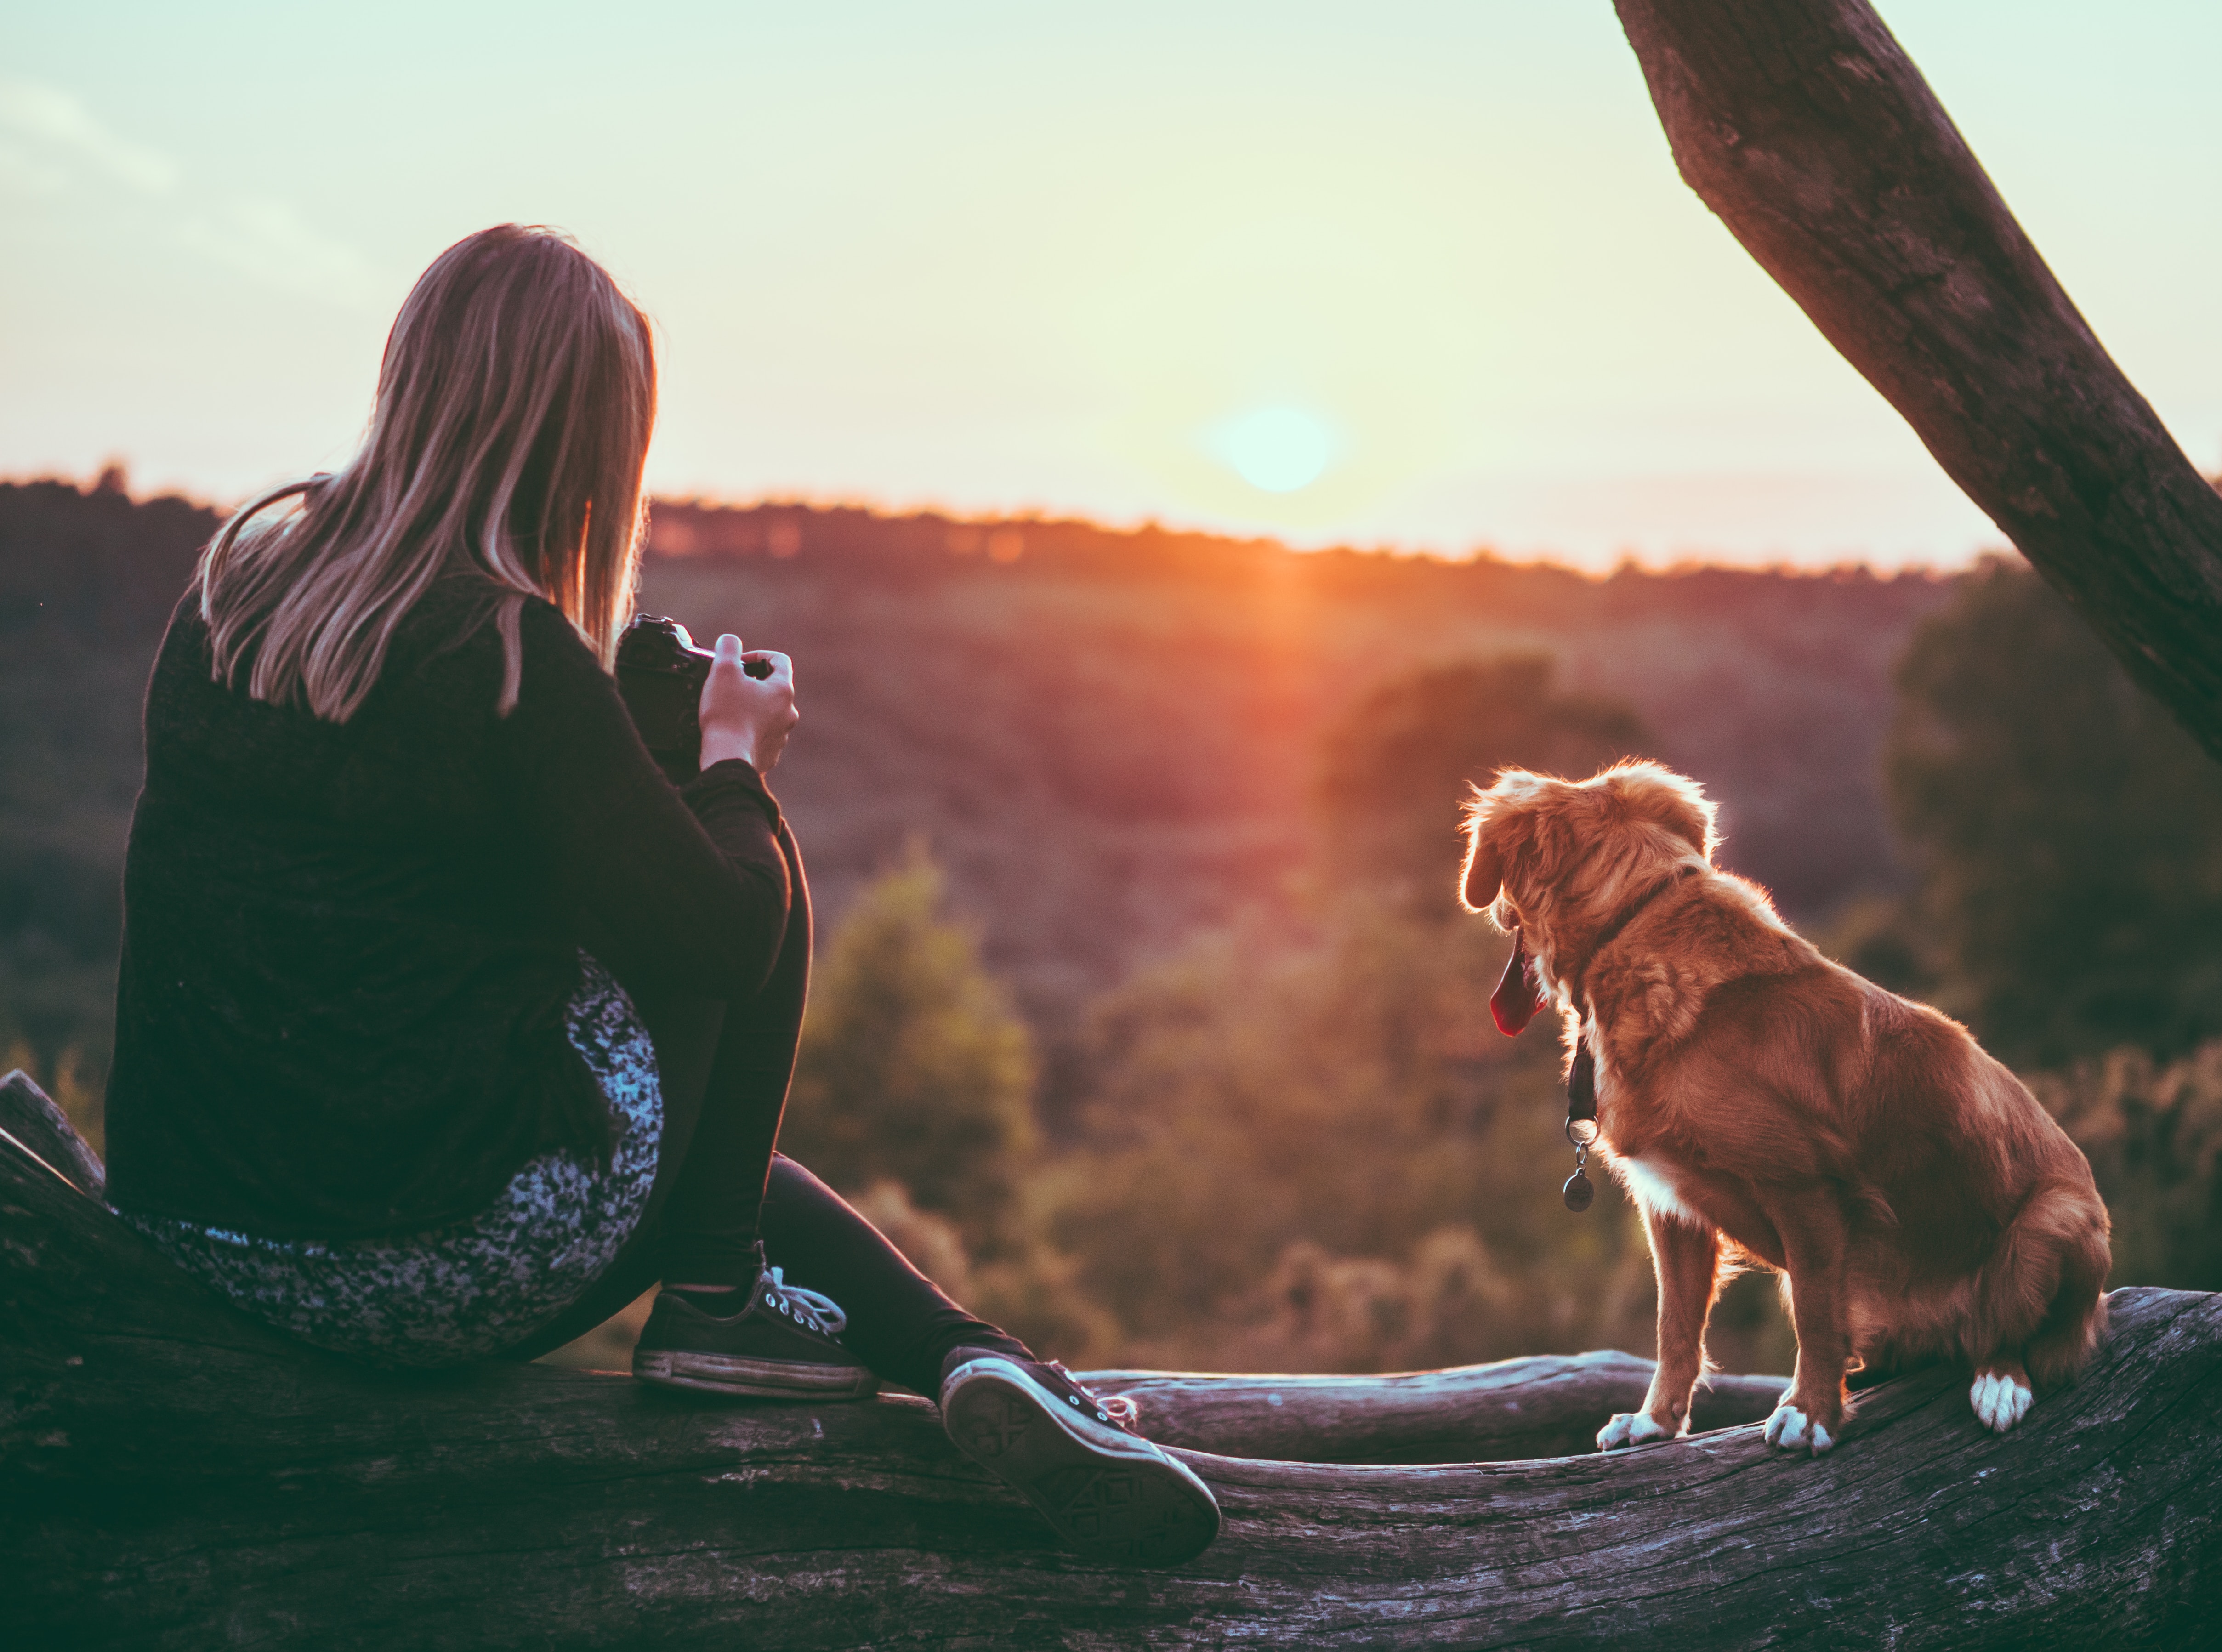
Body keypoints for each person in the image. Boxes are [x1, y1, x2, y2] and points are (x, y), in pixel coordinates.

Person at [99, 224, 1217, 1568]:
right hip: (423, 1274)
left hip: (189, 1231)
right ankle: (724, 1301)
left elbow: (403, 836)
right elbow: (718, 939)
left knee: (721, 1179)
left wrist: (611, 735)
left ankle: (965, 1356)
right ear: (582, 442)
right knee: (754, 876)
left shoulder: (232, 592)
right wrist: (730, 762)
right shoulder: (511, 650)